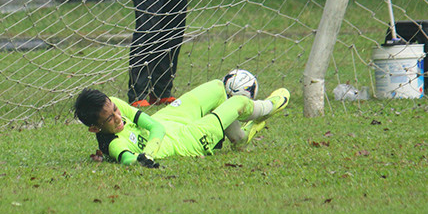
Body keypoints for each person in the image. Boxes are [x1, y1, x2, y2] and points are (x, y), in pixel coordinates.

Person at [72, 80, 289, 167]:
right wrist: (141, 160)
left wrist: (148, 151)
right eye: (110, 118)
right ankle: (269, 106)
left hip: (167, 121)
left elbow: (155, 126)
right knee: (240, 101)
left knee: (216, 87)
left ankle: (238, 137)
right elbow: (127, 159)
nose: (118, 117)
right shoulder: (113, 144)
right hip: (186, 140)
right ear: (95, 128)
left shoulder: (114, 103)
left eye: (115, 110)